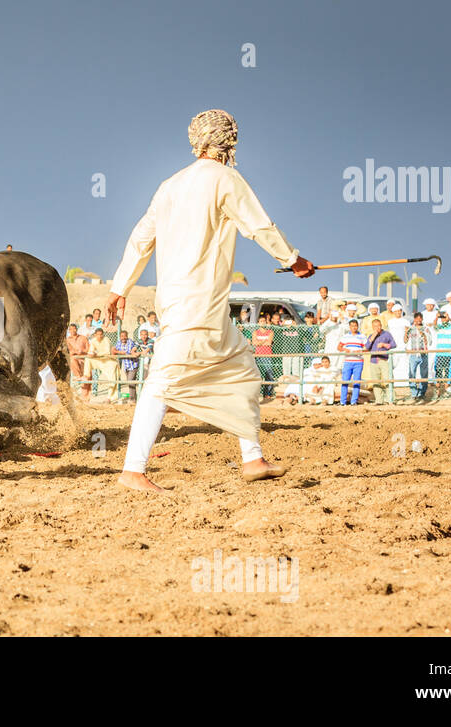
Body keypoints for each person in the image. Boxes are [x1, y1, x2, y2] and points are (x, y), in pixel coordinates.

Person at [105, 108, 315, 491]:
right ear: (228, 141)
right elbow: (259, 225)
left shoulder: (169, 185)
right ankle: (132, 471)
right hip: (196, 301)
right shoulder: (225, 178)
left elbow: (140, 239)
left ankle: (253, 459)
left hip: (192, 302)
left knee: (241, 369)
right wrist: (293, 259)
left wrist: (120, 286)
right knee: (161, 382)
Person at [363, 318, 394, 404]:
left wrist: (385, 345)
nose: (377, 327)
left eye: (379, 325)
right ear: (372, 327)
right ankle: (379, 400)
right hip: (373, 361)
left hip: (384, 360)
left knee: (388, 380)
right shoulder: (371, 336)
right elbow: (367, 347)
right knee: (375, 381)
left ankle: (390, 399)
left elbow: (393, 344)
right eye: (375, 326)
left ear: (381, 325)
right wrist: (373, 337)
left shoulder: (387, 334)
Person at [404, 312, 432, 402]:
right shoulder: (410, 329)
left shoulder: (426, 329)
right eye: (417, 318)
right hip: (413, 354)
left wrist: (423, 334)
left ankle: (422, 393)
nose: (419, 320)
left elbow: (430, 341)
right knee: (412, 373)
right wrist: (405, 333)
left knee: (424, 374)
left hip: (423, 354)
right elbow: (405, 340)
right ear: (414, 319)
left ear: (422, 319)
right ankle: (414, 393)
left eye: (420, 318)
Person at [338, 319, 367, 405]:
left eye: (355, 326)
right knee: (345, 381)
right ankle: (342, 401)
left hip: (358, 361)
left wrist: (360, 351)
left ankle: (354, 401)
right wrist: (345, 349)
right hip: (348, 361)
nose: (354, 327)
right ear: (349, 327)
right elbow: (339, 347)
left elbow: (367, 348)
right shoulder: (345, 336)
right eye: (352, 326)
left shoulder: (362, 336)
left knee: (356, 381)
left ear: (357, 326)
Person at [252, 315, 277, 397]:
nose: (263, 322)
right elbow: (254, 343)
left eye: (264, 321)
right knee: (258, 375)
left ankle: (267, 393)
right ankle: (257, 392)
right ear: (258, 323)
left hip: (267, 355)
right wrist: (265, 340)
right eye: (261, 321)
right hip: (258, 356)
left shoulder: (270, 332)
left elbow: (269, 343)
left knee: (268, 374)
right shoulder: (255, 332)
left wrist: (260, 341)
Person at [432, 312, 451, 398]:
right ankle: (437, 391)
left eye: (444, 317)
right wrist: (436, 317)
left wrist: (449, 318)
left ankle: (446, 390)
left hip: (449, 353)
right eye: (442, 318)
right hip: (440, 353)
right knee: (438, 371)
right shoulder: (439, 327)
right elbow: (434, 325)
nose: (443, 319)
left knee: (447, 372)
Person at [66, 323, 91, 400]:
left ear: (77, 329)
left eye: (74, 328)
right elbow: (68, 351)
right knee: (72, 359)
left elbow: (89, 349)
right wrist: (74, 352)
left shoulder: (83, 338)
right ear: (69, 330)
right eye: (70, 329)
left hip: (85, 360)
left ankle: (85, 398)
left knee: (87, 379)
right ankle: (78, 376)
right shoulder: (67, 340)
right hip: (74, 361)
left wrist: (82, 351)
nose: (73, 330)